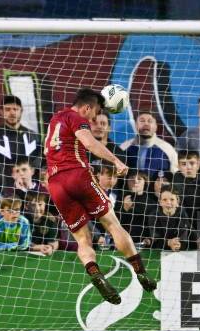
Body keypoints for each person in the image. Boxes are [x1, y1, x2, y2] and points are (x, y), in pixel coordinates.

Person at [44, 88, 156, 304]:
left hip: (55, 183)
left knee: (82, 239)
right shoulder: (76, 117)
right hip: (77, 174)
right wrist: (116, 161)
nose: (93, 120)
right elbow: (90, 143)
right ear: (87, 107)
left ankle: (95, 274)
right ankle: (140, 271)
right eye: (94, 114)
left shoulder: (55, 120)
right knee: (112, 224)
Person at [0, 95, 41, 187]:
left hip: (30, 190)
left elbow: (38, 165)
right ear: (1, 112)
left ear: (21, 111)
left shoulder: (32, 136)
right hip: (1, 190)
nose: (12, 113)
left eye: (15, 109)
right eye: (8, 109)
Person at [120, 112, 178, 179]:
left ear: (156, 126)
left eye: (150, 121)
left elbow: (175, 175)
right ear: (135, 125)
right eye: (142, 121)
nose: (146, 124)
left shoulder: (167, 149)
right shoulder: (124, 147)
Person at [146, 186, 197, 251]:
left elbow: (189, 232)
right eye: (164, 200)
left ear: (177, 202)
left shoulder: (182, 213)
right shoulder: (153, 216)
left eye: (172, 199)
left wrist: (179, 245)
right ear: (160, 202)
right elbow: (154, 240)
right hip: (160, 249)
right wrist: (168, 242)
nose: (168, 202)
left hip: (178, 248)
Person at [119, 170, 156, 246]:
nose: (135, 181)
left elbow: (154, 227)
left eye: (139, 179)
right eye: (132, 178)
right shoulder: (120, 199)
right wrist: (124, 209)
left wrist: (149, 239)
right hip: (123, 242)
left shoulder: (152, 203)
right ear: (127, 181)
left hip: (143, 244)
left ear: (145, 182)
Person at [172, 150, 200, 226]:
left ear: (198, 165)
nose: (188, 167)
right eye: (184, 164)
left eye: (192, 163)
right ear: (178, 166)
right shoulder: (176, 181)